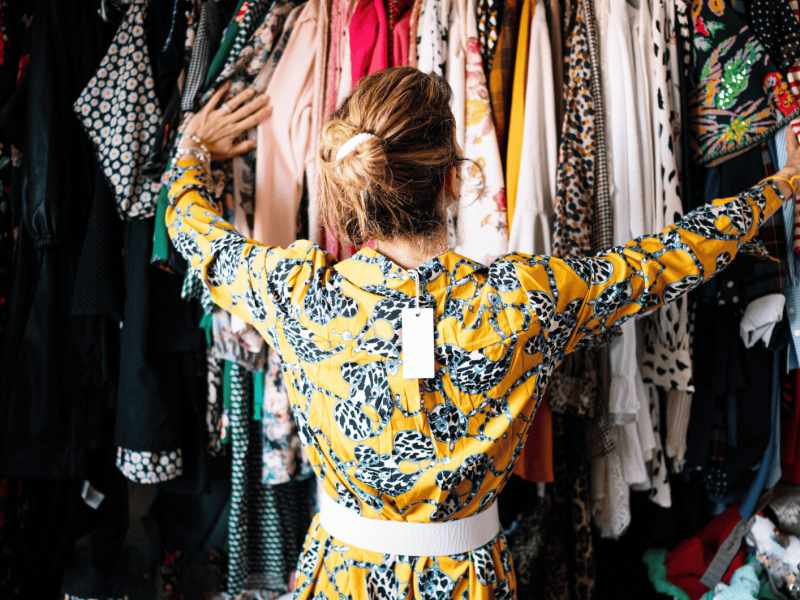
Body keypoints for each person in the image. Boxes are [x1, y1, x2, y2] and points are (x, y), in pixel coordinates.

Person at [167, 67, 800, 600]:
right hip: (467, 580)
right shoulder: (521, 303)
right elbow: (668, 259)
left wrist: (192, 149)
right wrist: (783, 184)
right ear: (452, 179)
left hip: (341, 576)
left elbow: (193, 227)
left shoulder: (295, 294)